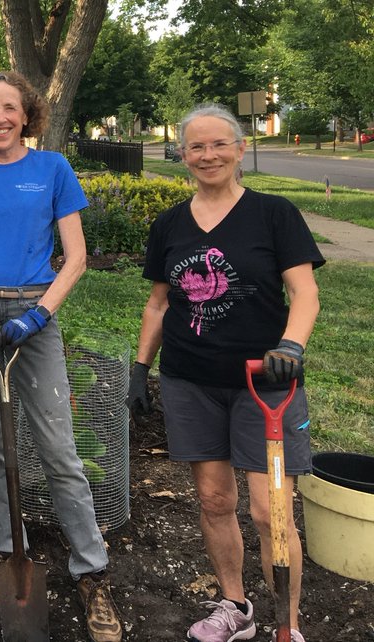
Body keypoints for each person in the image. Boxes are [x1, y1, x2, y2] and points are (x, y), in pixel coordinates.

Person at [0, 70, 122, 642]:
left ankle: (92, 574)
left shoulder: (52, 169)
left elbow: (78, 256)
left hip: (36, 311)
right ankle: (9, 556)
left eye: (10, 108)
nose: (0, 118)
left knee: (59, 448)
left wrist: (41, 314)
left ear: (27, 114)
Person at [129, 103, 323, 642]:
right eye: (196, 146)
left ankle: (289, 625)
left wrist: (290, 345)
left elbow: (304, 293)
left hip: (266, 385)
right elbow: (158, 303)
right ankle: (235, 607)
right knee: (215, 501)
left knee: (270, 512)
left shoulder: (274, 214)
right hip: (191, 380)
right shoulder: (170, 223)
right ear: (182, 154)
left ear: (240, 150)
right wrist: (139, 368)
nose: (208, 155)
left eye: (219, 145)